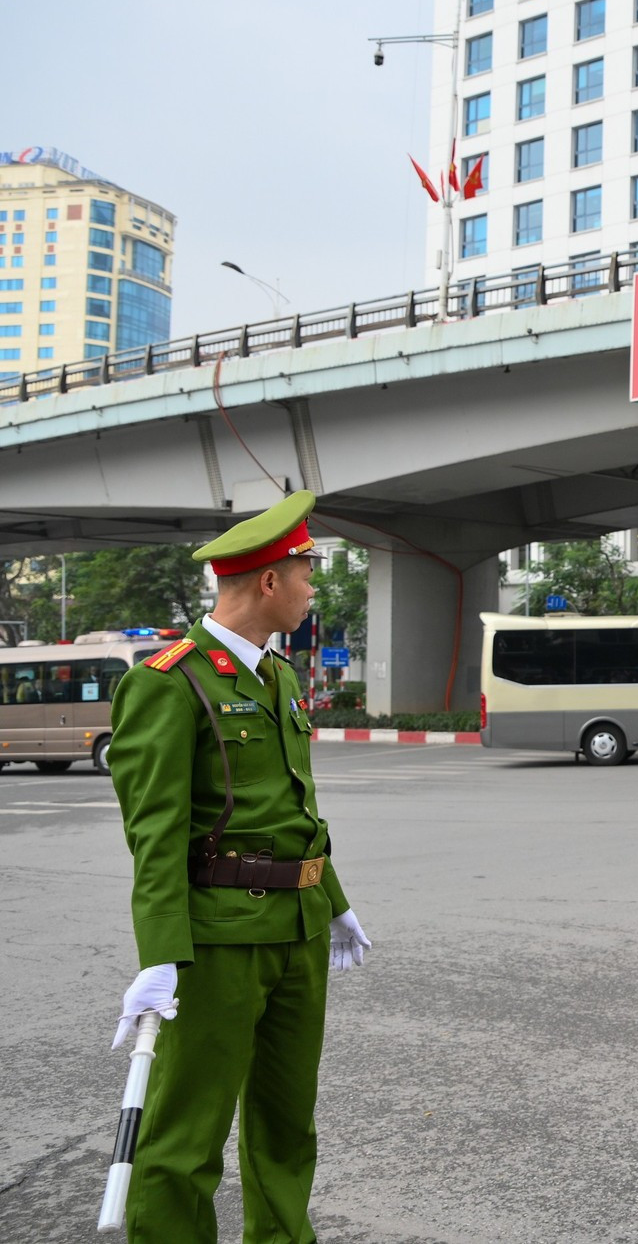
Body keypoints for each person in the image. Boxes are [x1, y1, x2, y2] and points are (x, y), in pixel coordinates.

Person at [107, 490, 371, 1243]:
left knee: (288, 1126)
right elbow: (154, 832)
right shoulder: (170, 679)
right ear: (268, 582)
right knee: (186, 1139)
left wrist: (335, 899)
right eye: (306, 573)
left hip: (299, 930)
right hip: (219, 938)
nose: (312, 587)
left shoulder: (278, 678)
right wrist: (159, 954)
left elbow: (295, 811)